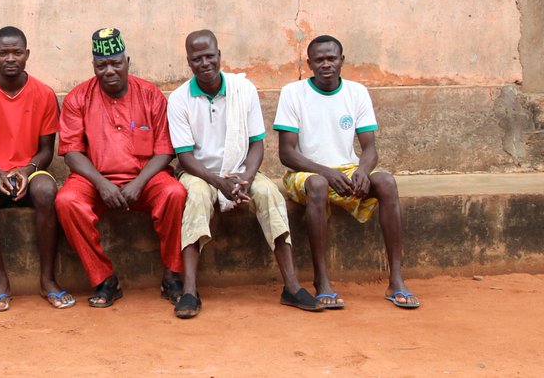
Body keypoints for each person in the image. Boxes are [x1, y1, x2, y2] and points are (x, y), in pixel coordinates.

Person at [166, 31, 323, 318]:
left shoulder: (243, 90)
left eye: (209, 56)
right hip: (200, 173)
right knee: (198, 197)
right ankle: (189, 290)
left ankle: (291, 286)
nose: (204, 63)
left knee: (268, 194)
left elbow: (256, 144)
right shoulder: (179, 100)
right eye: (197, 58)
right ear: (188, 62)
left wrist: (246, 179)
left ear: (219, 55)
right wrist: (218, 182)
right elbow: (185, 157)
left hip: (240, 169)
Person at [275, 35, 419, 309]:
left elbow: (370, 149)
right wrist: (327, 173)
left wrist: (363, 171)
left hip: (346, 169)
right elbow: (287, 154)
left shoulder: (356, 92)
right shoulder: (293, 94)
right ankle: (322, 282)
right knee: (317, 185)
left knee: (386, 182)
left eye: (331, 58)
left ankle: (396, 280)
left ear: (342, 60)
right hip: (306, 173)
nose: (326, 64)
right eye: (319, 60)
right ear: (309, 64)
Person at [55, 28, 186, 308]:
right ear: (94, 66)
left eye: (116, 63)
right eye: (102, 65)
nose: (109, 71)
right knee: (67, 201)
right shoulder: (78, 97)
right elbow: (71, 152)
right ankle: (104, 280)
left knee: (174, 193)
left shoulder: (150, 95)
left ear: (128, 61)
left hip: (146, 178)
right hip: (95, 180)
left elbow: (165, 150)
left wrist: (139, 183)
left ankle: (173, 276)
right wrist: (102, 184)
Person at [0, 26, 72, 311]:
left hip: (31, 170)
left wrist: (26, 170)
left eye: (17, 52)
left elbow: (47, 149)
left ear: (27, 54)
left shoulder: (44, 94)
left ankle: (48, 280)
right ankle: (1, 282)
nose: (10, 58)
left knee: (48, 190)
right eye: (3, 53)